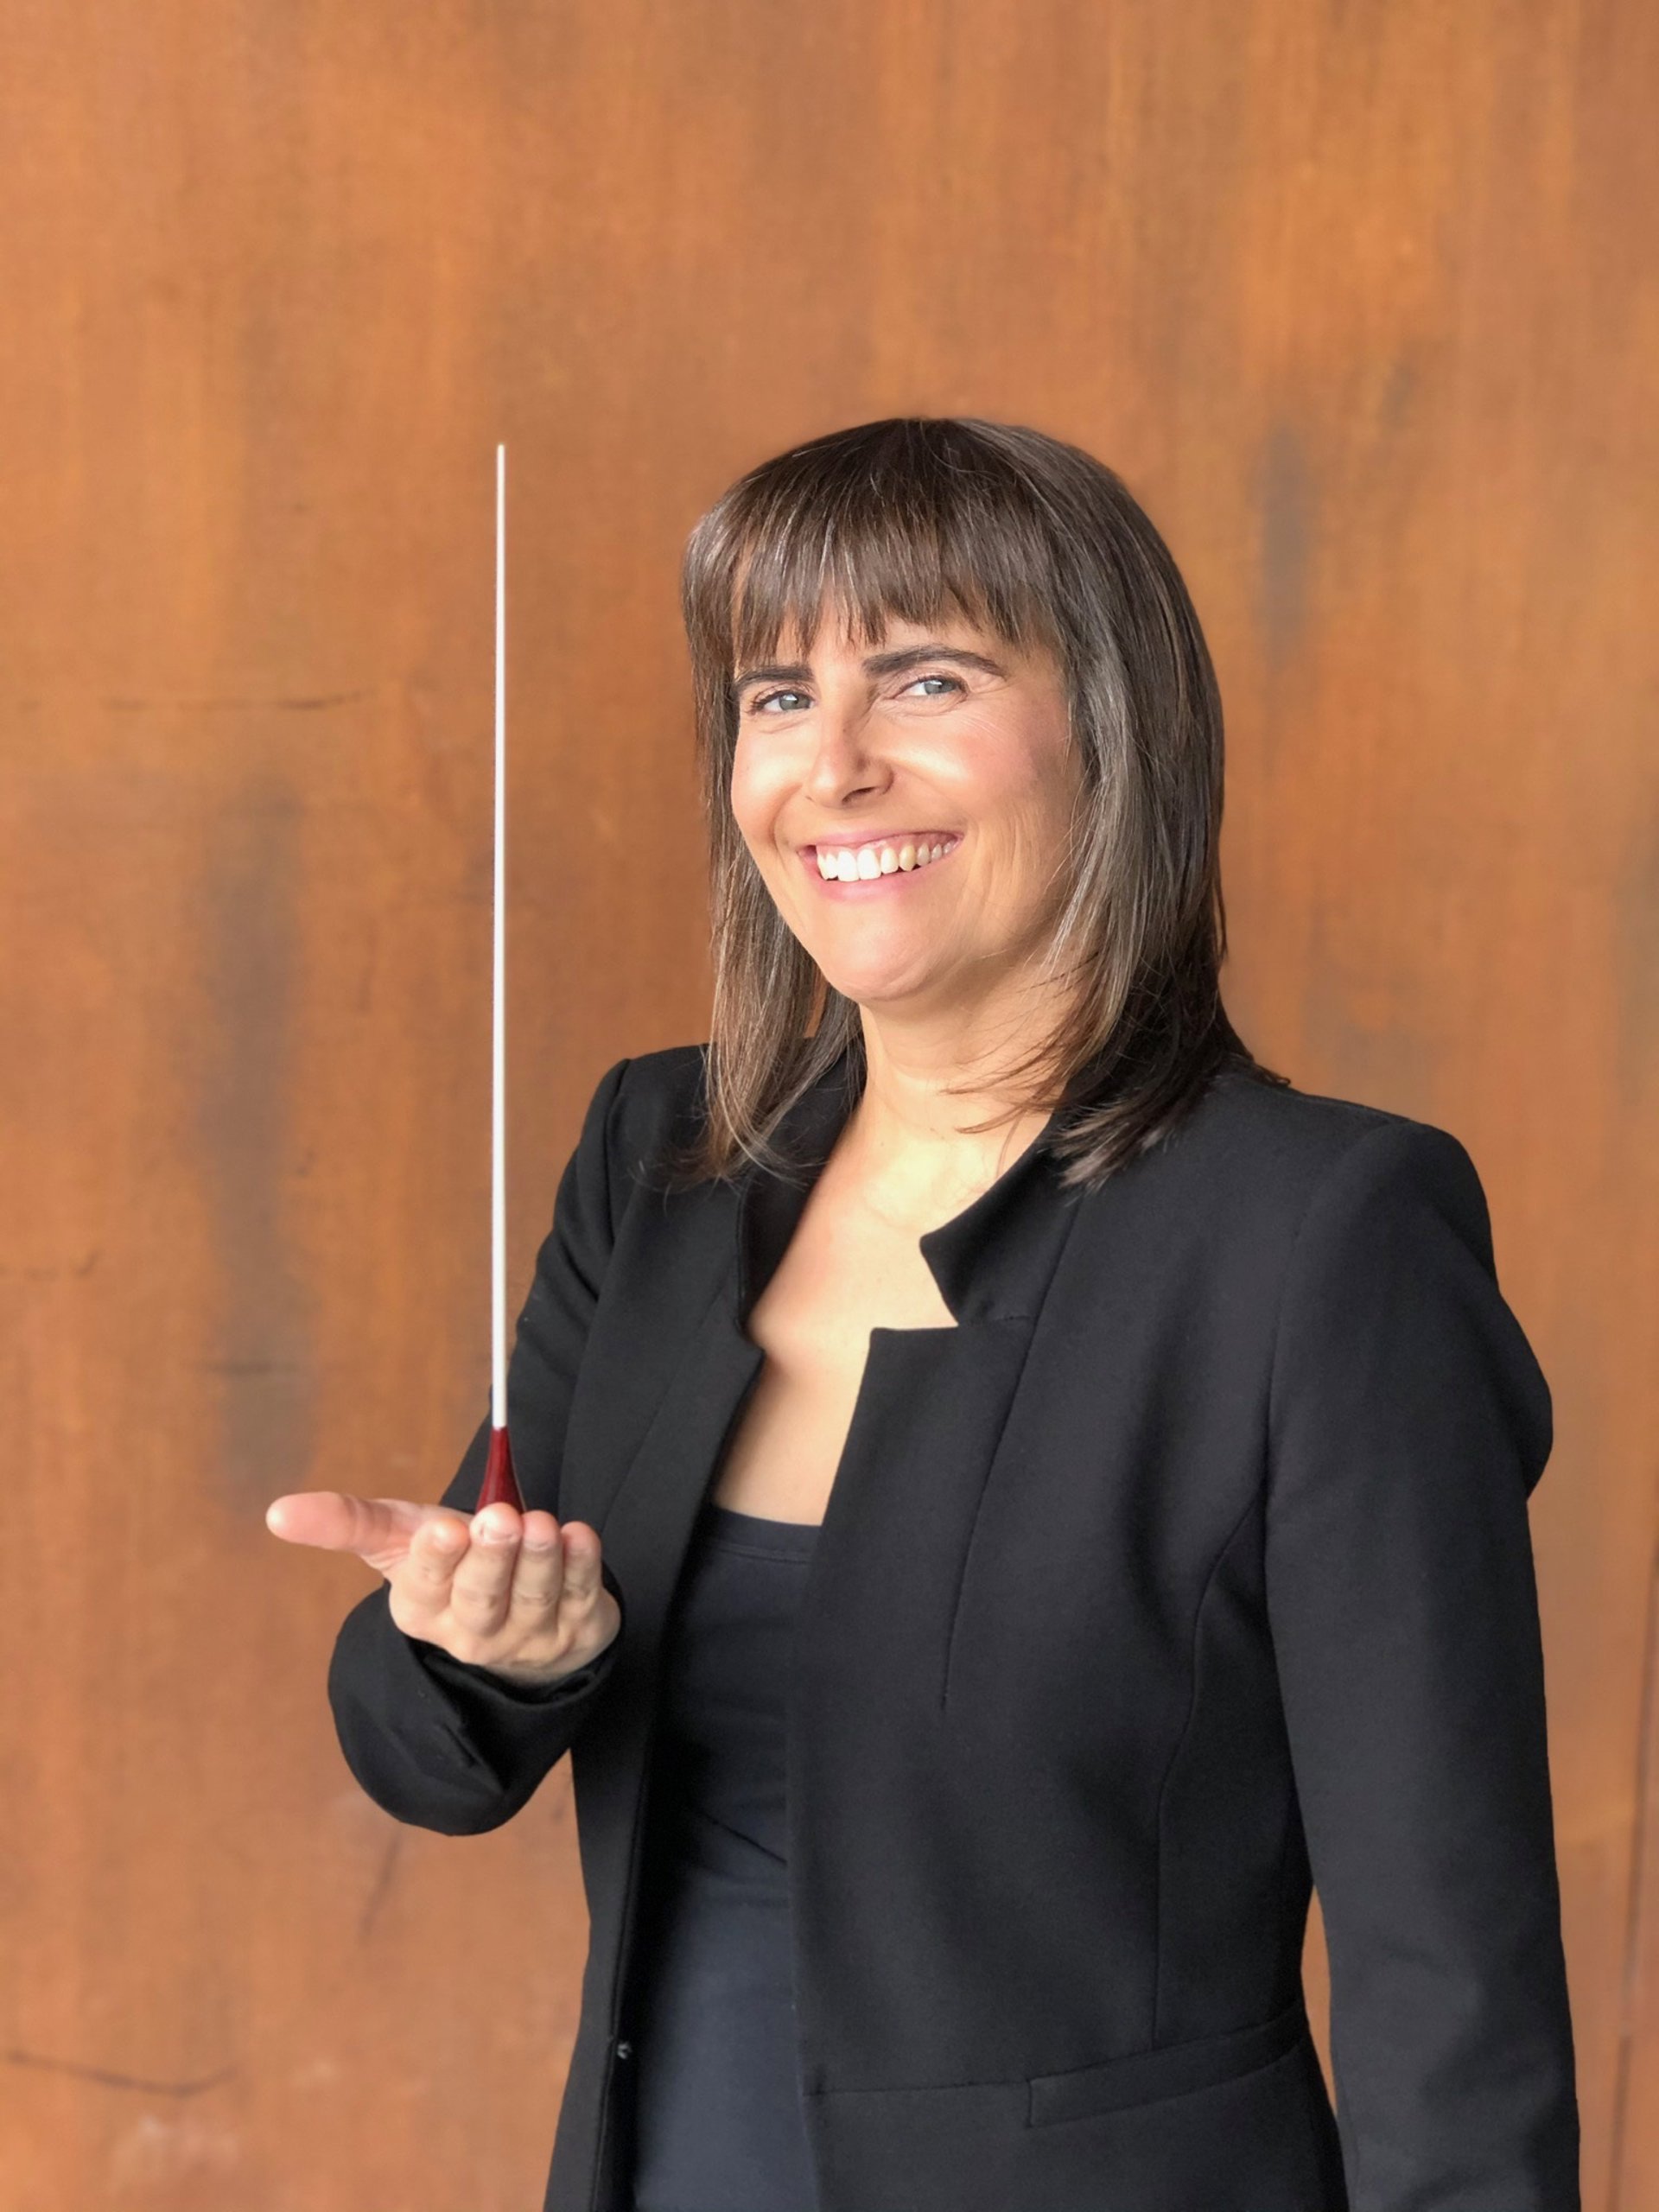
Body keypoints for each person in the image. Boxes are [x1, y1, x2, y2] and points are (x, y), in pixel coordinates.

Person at [267, 416, 1580, 2212]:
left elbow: (1453, 1976)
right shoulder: (660, 1158)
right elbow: (434, 1755)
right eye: (776, 694)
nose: (835, 766)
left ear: (1112, 726)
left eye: (927, 677)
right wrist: (482, 1647)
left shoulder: (1323, 1233)